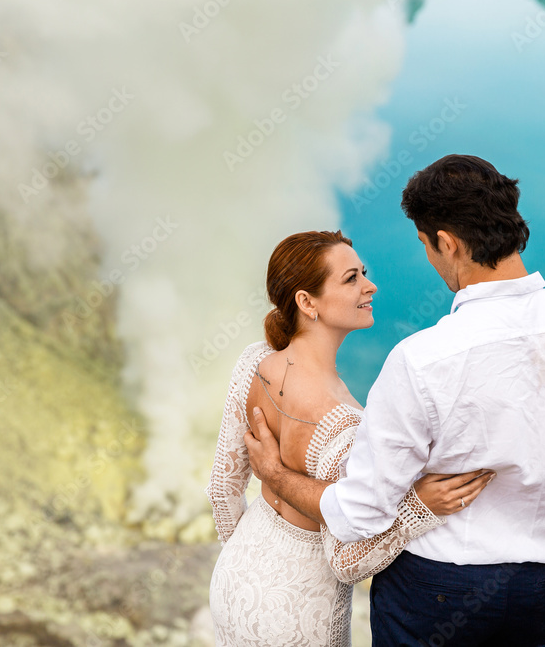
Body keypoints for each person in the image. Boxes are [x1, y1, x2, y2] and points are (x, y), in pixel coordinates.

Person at [245, 154, 545, 646]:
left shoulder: (420, 358)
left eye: (426, 246)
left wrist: (275, 476)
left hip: (430, 596)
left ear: (447, 243)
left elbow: (360, 514)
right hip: (537, 594)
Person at [205, 229, 494, 647]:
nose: (369, 285)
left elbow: (221, 487)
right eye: (351, 278)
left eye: (364, 273)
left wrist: (250, 561)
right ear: (307, 302)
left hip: (233, 579)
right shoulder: (344, 424)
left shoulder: (255, 362)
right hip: (298, 610)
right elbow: (347, 563)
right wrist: (418, 509)